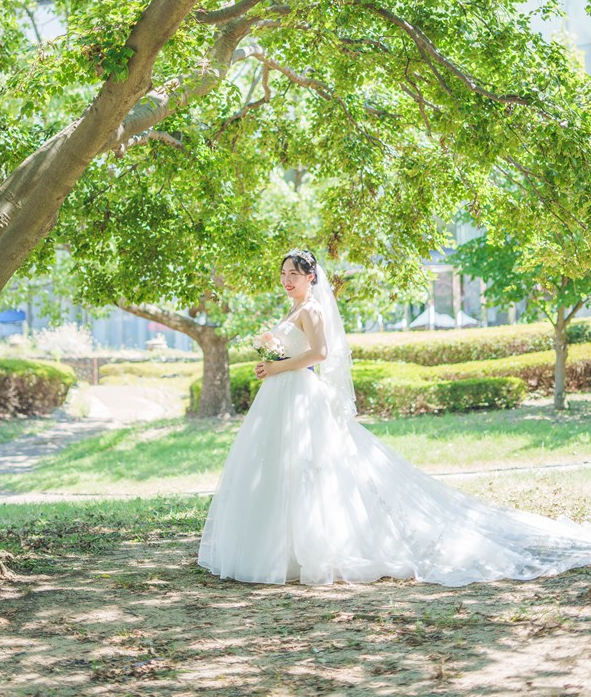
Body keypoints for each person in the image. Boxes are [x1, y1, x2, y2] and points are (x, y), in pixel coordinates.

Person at [197, 249, 591, 586]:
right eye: (284, 273)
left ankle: (313, 551)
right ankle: (279, 551)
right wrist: (272, 362)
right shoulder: (294, 308)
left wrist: (278, 366)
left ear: (311, 277)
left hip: (299, 392)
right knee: (279, 466)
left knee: (309, 467)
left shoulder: (312, 309)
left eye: (294, 274)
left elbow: (320, 354)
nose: (287, 279)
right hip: (282, 394)